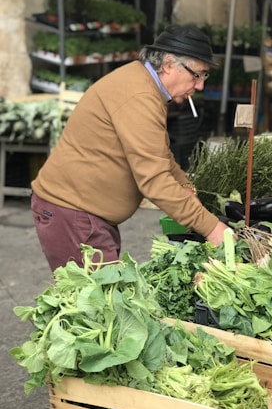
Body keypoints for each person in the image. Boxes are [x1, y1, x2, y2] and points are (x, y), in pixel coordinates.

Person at [31, 25, 230, 271]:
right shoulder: (140, 96)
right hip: (73, 214)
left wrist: (185, 185)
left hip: (85, 215)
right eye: (197, 74)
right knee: (96, 305)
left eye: (204, 76)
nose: (199, 85)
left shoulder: (145, 85)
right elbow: (154, 181)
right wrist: (211, 228)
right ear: (168, 64)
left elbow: (160, 154)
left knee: (102, 301)